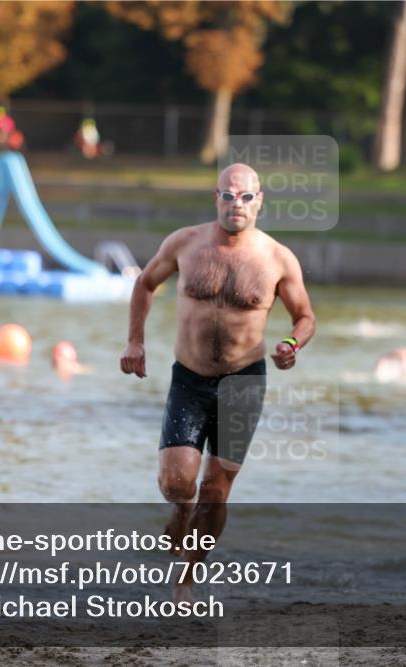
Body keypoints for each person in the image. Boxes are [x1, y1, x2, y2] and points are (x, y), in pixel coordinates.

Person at [120, 163, 315, 602]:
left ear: (260, 200)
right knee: (176, 482)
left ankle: (187, 576)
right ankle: (179, 507)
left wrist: (290, 344)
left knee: (216, 489)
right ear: (216, 198)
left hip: (244, 382)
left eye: (246, 197)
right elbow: (145, 283)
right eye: (228, 196)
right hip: (189, 378)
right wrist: (136, 341)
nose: (237, 205)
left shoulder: (277, 258)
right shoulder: (185, 243)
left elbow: (305, 317)